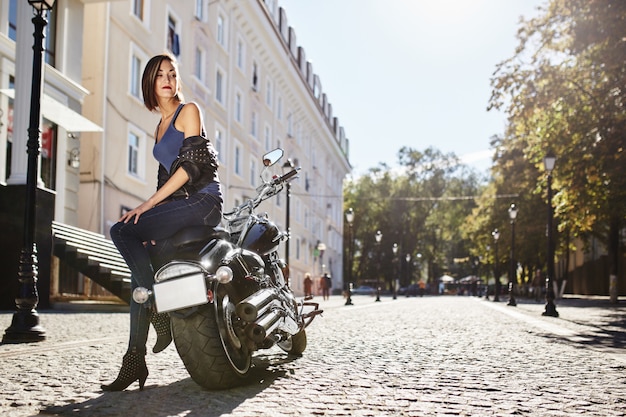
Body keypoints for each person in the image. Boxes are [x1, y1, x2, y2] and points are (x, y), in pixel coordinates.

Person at [102, 53, 222, 392]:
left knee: (122, 228)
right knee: (141, 267)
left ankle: (157, 315)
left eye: (172, 73)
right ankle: (135, 359)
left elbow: (189, 169)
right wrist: (154, 219)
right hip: (178, 206)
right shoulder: (159, 126)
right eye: (159, 75)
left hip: (202, 201)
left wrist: (149, 206)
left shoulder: (189, 112)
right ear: (150, 84)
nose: (167, 79)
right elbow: (163, 179)